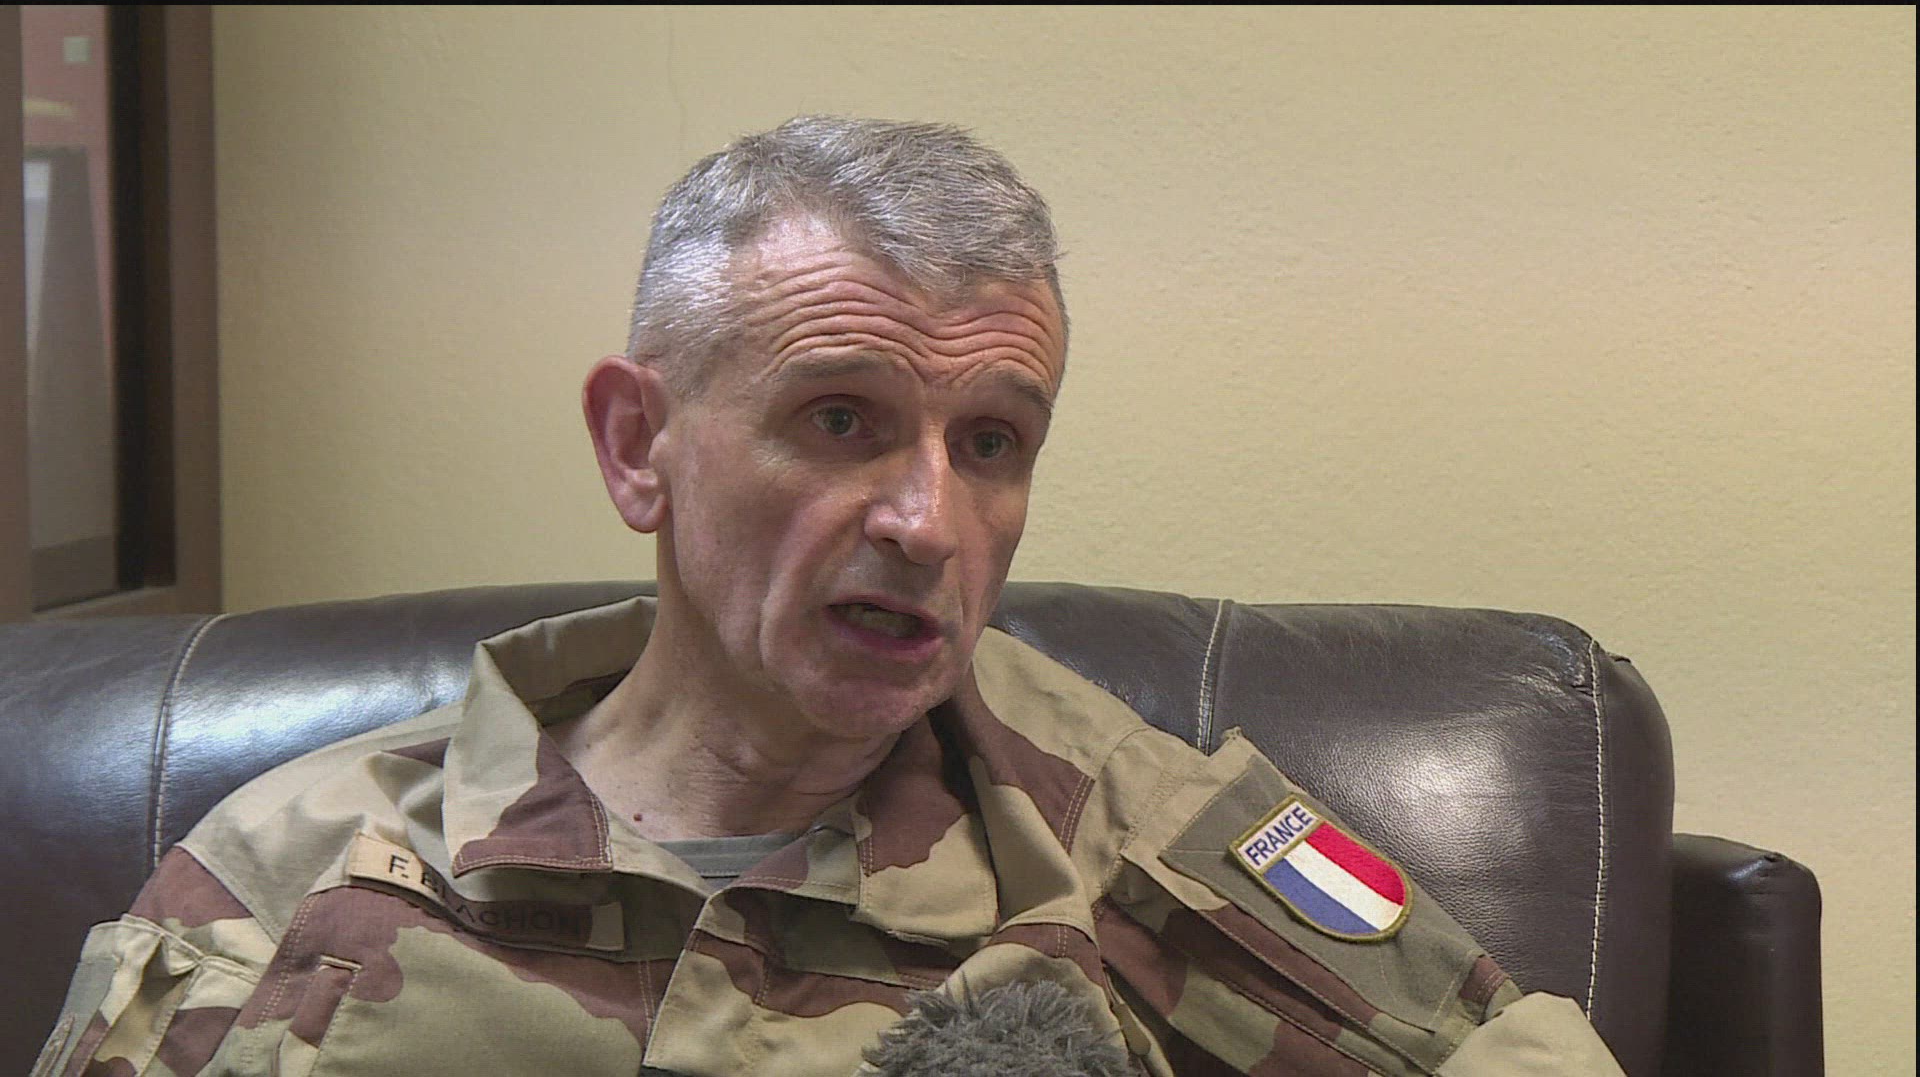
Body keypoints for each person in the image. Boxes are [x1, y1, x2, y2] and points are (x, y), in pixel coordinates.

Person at [37, 116, 1626, 1077]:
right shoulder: (299, 877)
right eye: (842, 419)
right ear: (639, 445)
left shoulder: (1124, 835)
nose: (930, 523)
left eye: (991, 444)